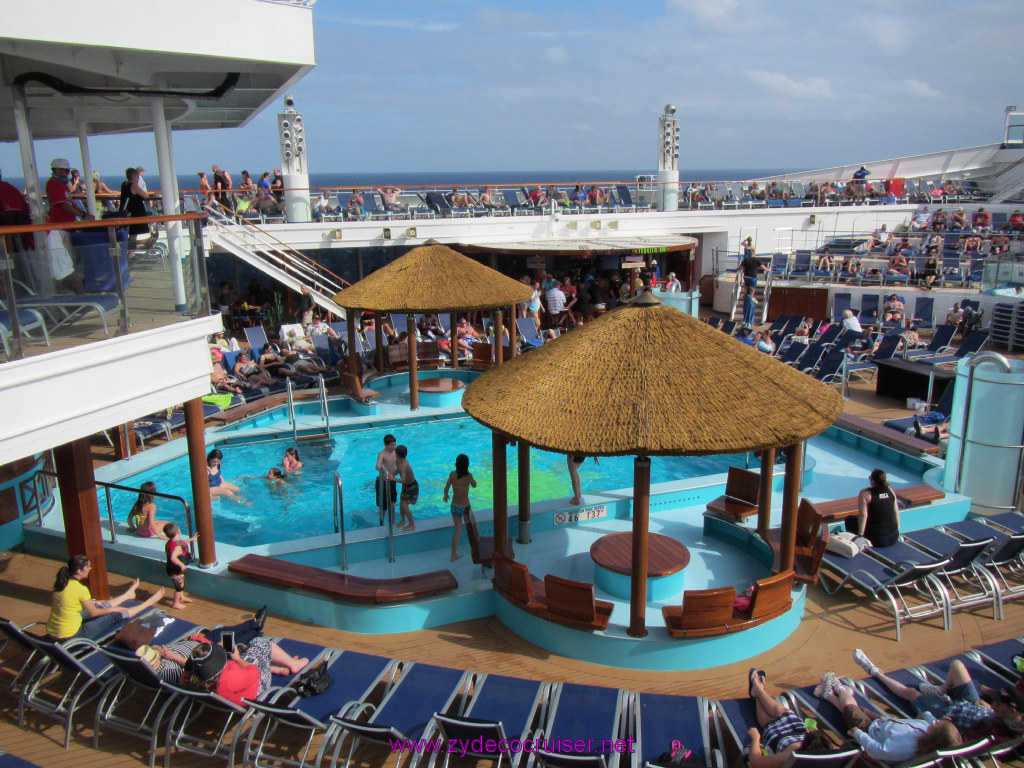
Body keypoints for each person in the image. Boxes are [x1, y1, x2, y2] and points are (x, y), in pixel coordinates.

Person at [853, 649, 1024, 740]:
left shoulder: (993, 732)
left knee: (910, 693)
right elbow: (998, 711)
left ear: (1012, 710)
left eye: (999, 704)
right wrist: (989, 706)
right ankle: (941, 691)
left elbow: (959, 741)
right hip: (972, 703)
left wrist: (944, 723)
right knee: (957, 666)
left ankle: (875, 671)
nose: (995, 704)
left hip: (949, 715)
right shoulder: (1012, 718)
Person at [811, 673, 962, 762]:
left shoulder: (905, 745)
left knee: (850, 708)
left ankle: (838, 687)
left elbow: (877, 750)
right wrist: (928, 716)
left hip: (869, 731)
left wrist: (858, 734)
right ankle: (827, 694)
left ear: (936, 736)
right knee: (855, 709)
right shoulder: (928, 732)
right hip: (882, 723)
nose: (936, 722)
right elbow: (929, 718)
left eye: (938, 725)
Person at [133, 606, 269, 683]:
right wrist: (173, 656)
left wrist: (159, 651)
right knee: (229, 636)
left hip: (199, 643)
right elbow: (193, 670)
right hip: (208, 653)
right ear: (152, 665)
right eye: (154, 656)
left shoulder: (153, 668)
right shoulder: (166, 673)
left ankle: (254, 625)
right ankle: (255, 625)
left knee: (222, 632)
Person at [45, 555, 164, 641]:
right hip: (71, 636)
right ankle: (148, 603)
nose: (90, 568)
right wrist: (112, 609)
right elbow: (93, 613)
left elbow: (69, 603)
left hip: (53, 632)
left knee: (100, 604)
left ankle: (127, 595)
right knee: (113, 614)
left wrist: (95, 602)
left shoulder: (62, 583)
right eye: (88, 567)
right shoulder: (80, 589)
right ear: (79, 571)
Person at [182, 634, 308, 707]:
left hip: (223, 699)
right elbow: (254, 672)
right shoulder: (229, 678)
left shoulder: (188, 676)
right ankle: (293, 664)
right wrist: (237, 659)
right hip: (257, 688)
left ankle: (275, 668)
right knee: (259, 643)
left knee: (245, 654)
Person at [746, 669, 834, 768]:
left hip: (779, 738)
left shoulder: (789, 757)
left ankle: (758, 691)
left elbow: (756, 762)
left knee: (769, 721)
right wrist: (814, 735)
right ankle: (758, 691)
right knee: (785, 712)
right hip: (799, 734)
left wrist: (755, 738)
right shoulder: (831, 756)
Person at [844, 468, 899, 547]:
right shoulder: (890, 490)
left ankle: (855, 543)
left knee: (849, 520)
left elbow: (863, 516)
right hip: (894, 537)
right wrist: (897, 530)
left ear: (873, 481)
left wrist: (860, 536)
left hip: (877, 540)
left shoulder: (866, 494)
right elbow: (896, 511)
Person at [443, 454, 477, 562]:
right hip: (465, 507)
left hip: (455, 506)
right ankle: (476, 550)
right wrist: (471, 480)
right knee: (472, 529)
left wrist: (446, 495)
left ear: (456, 464)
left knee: (458, 530)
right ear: (467, 465)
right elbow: (474, 485)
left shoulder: (452, 474)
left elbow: (446, 488)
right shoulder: (469, 476)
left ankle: (453, 555)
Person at [164, 522, 199, 610]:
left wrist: (191, 539)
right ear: (178, 531)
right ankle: (175, 603)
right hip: (176, 570)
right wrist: (182, 564)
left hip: (173, 569)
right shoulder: (177, 547)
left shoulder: (171, 542)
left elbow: (182, 544)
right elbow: (173, 558)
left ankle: (181, 597)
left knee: (181, 584)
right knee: (179, 588)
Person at [119, 166, 154, 251]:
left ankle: (132, 251)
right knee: (133, 233)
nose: (138, 178)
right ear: (133, 176)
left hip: (127, 212)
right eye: (137, 176)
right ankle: (132, 250)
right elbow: (145, 195)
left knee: (132, 234)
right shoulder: (133, 186)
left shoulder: (124, 185)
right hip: (135, 213)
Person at [394, 445, 418, 531]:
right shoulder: (398, 461)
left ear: (396, 454)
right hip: (406, 486)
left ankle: (412, 524)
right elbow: (397, 470)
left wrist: (393, 479)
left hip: (412, 486)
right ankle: (403, 520)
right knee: (401, 503)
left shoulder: (404, 465)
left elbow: (403, 480)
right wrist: (391, 474)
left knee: (404, 505)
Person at [375, 434, 399, 515]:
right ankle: (381, 520)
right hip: (382, 481)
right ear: (385, 444)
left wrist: (394, 474)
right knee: (383, 506)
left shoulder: (396, 453)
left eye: (395, 444)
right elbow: (378, 466)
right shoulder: (382, 454)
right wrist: (385, 473)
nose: (394, 446)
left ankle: (392, 521)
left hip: (392, 480)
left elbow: (400, 465)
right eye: (391, 445)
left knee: (393, 505)